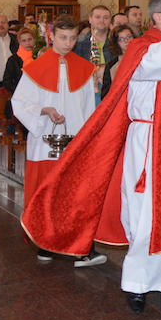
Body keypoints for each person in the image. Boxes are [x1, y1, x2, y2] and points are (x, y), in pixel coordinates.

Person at [21, 0, 161, 320]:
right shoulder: (142, 47)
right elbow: (160, 64)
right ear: (157, 17)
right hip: (147, 144)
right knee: (144, 217)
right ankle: (138, 286)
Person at [11, 15, 105, 267]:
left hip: (76, 141)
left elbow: (89, 108)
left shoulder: (84, 69)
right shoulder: (35, 69)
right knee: (46, 194)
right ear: (52, 36)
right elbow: (20, 104)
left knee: (76, 194)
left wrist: (88, 138)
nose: (68, 43)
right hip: (44, 141)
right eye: (63, 37)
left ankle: (82, 247)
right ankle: (45, 244)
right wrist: (45, 110)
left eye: (72, 38)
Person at [73, 5, 113, 105]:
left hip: (110, 90)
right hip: (85, 91)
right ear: (90, 19)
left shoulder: (116, 43)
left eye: (106, 17)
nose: (102, 20)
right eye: (97, 17)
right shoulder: (79, 43)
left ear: (110, 21)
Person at [100, 25, 135, 99]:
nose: (127, 41)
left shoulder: (143, 59)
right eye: (121, 39)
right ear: (116, 43)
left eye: (129, 37)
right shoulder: (111, 65)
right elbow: (106, 94)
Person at [2, 27, 36, 93]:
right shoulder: (13, 60)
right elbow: (7, 81)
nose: (28, 43)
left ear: (34, 40)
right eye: (24, 41)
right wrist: (20, 91)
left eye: (30, 39)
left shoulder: (40, 56)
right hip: (20, 94)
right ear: (19, 42)